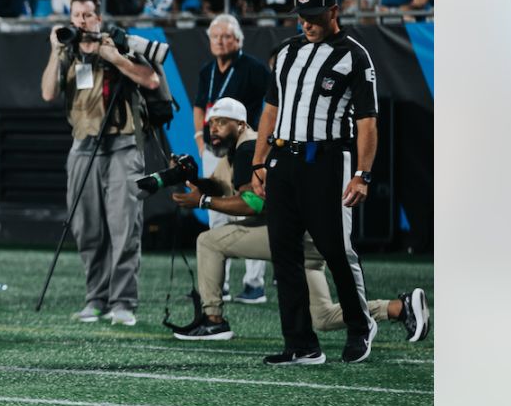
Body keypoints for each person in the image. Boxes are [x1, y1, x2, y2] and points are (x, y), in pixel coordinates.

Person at [170, 98, 430, 343]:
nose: (214, 128)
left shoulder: (247, 149)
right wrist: (191, 179)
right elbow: (219, 185)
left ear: (241, 124)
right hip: (310, 235)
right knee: (324, 317)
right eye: (211, 123)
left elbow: (255, 203)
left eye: (222, 122)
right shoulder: (238, 149)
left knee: (209, 241)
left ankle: (213, 320)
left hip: (294, 234)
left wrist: (202, 202)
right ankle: (400, 308)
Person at [250, 0, 380, 365]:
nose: (306, 24)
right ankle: (301, 344)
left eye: (314, 16)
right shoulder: (288, 52)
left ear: (334, 12)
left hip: (328, 160)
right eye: (302, 17)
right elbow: (271, 110)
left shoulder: (355, 56)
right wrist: (259, 161)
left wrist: (363, 174)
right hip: (284, 159)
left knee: (336, 249)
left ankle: (360, 325)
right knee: (284, 253)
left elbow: (368, 122)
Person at [40, 0, 160, 326]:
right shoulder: (68, 52)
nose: (81, 21)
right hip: (82, 147)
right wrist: (54, 50)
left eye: (88, 15)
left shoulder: (118, 43)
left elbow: (151, 79)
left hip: (122, 145)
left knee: (124, 227)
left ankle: (123, 302)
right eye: (76, 15)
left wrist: (114, 57)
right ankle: (96, 299)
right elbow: (48, 93)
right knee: (86, 228)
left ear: (99, 17)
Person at [191, 15, 271, 303]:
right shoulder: (206, 70)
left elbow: (275, 99)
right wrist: (199, 140)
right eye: (216, 37)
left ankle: (254, 285)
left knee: (248, 211)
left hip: (244, 150)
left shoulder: (252, 68)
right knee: (217, 215)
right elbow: (200, 105)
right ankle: (219, 283)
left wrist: (262, 140)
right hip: (214, 151)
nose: (221, 41)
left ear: (238, 40)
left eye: (226, 36)